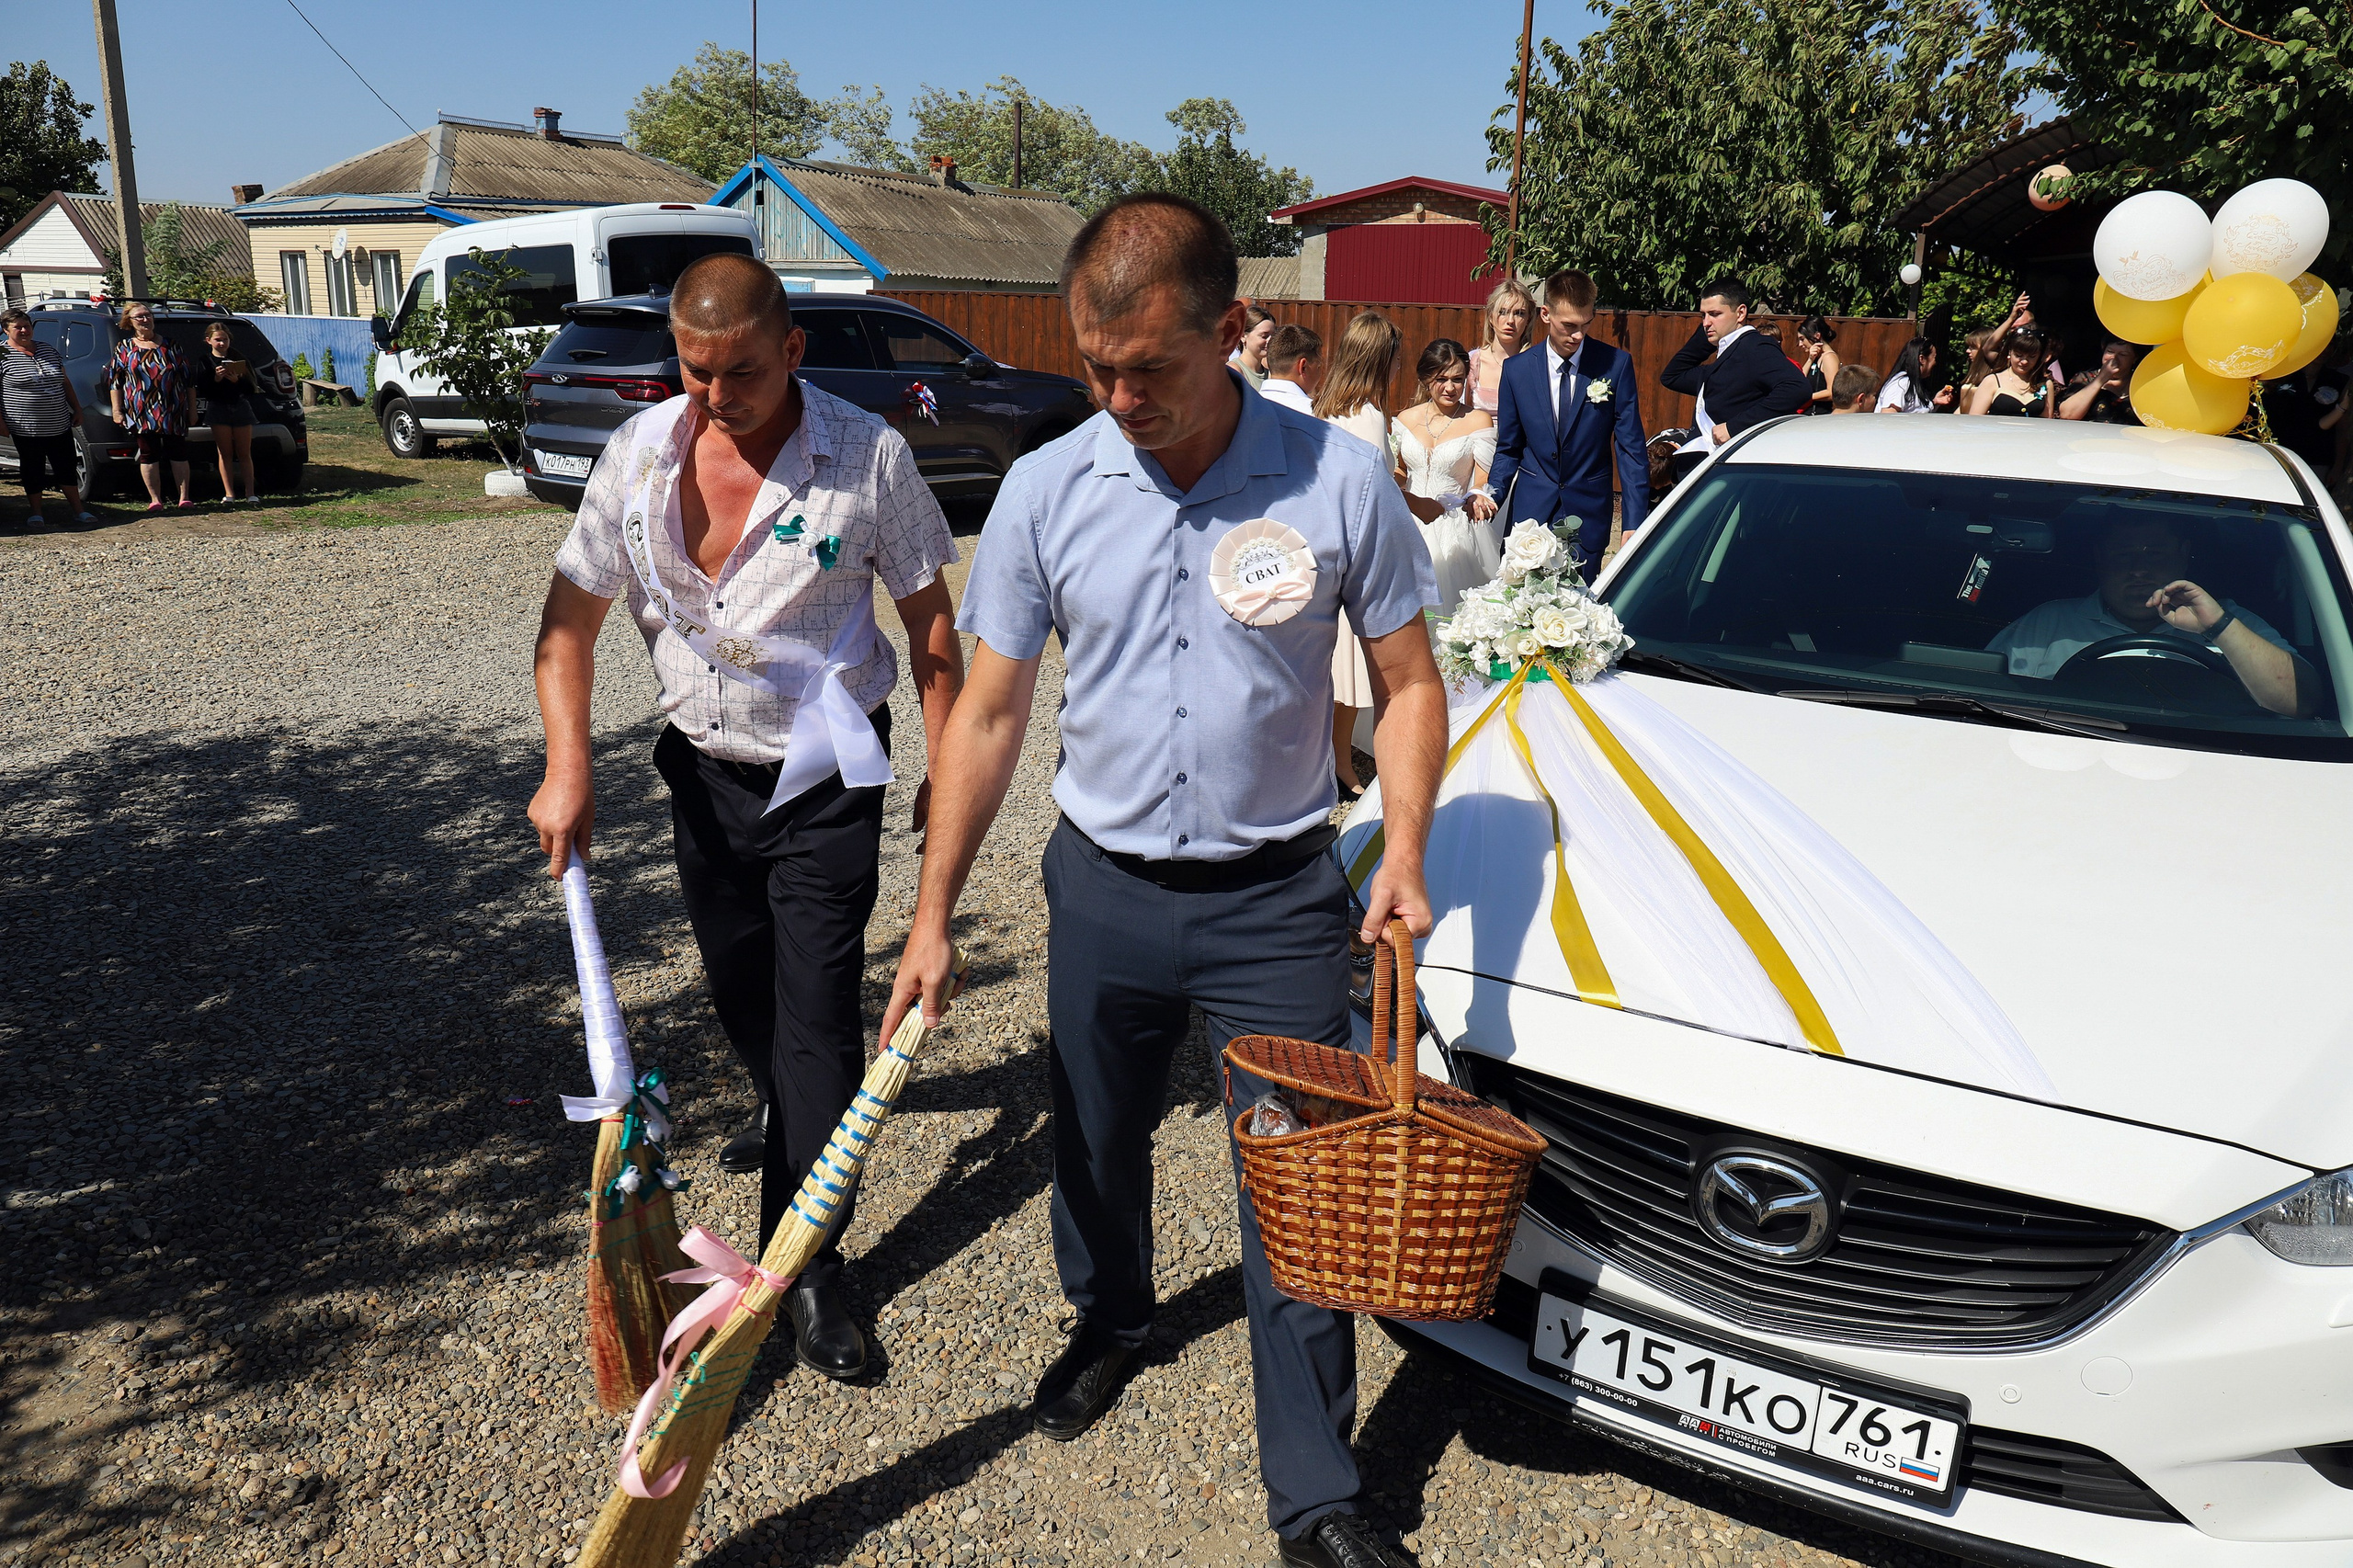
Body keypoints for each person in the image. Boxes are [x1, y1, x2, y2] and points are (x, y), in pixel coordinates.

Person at [881, 193, 1442, 1568]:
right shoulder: (1047, 487)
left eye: (1149, 369)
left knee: (1294, 1180)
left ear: (1231, 328)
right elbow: (989, 715)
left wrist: (1406, 851)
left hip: (1277, 900)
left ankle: (1315, 1491)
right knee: (1093, 1132)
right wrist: (933, 914)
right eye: (1096, 368)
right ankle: (1113, 1315)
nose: (1119, 399)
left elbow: (1413, 684)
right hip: (1105, 890)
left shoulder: (1336, 481)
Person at [527, 251, 964, 1381]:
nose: (717, 395)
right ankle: (791, 1116)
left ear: (794, 350)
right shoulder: (638, 452)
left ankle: (805, 1265)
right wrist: (567, 766)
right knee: (742, 994)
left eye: (744, 373)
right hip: (703, 774)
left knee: (815, 1020)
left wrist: (946, 764)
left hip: (826, 779)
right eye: (695, 369)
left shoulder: (867, 456)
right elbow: (567, 625)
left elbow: (930, 625)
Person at [1988, 515, 2308, 717]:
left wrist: (2217, 627)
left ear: (2183, 555)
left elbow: (2301, 702)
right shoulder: (2048, 623)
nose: (2139, 570)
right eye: (2123, 555)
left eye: (2154, 555)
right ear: (2100, 559)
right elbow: (1988, 695)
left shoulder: (2230, 621)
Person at [1482, 267, 1651, 566]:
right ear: (1546, 314)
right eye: (1569, 325)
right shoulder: (1517, 370)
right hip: (1530, 518)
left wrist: (1634, 521)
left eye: (1586, 324)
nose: (1578, 335)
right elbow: (1508, 448)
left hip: (1588, 516)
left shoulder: (1615, 365)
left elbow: (1630, 450)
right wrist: (1492, 495)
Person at [1313, 311, 1405, 800]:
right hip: (1354, 551)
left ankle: (1333, 758)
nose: (1399, 368)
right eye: (1395, 359)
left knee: (1335, 665)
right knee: (1347, 668)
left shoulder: (1328, 406)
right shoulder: (1367, 417)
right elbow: (1370, 494)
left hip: (1327, 543)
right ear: (1379, 360)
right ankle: (1339, 762)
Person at [1658, 276, 1810, 479]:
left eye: (1715, 314)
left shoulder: (1756, 346)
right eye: (1703, 315)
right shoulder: (1728, 352)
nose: (1706, 323)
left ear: (1740, 313)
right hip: (1713, 471)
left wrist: (1734, 427)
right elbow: (1672, 376)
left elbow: (1797, 388)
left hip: (1733, 471)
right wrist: (1711, 334)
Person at [1393, 337, 1499, 611]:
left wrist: (1477, 496)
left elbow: (1483, 479)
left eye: (1458, 379)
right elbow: (1400, 471)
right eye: (1441, 379)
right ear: (1425, 379)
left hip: (1454, 526)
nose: (1450, 388)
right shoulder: (1405, 419)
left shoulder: (1478, 420)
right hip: (1409, 523)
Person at [1, 308, 97, 527]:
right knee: (32, 468)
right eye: (18, 327)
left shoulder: (47, 349)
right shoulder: (2, 355)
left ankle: (79, 510)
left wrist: (77, 409)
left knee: (66, 466)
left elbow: (65, 381)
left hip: (58, 423)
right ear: (6, 330)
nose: (24, 331)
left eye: (27, 326)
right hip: (26, 427)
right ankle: (36, 513)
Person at [107, 302, 196, 510]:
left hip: (173, 410)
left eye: (148, 315)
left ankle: (184, 498)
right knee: (148, 453)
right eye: (139, 316)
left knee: (178, 452)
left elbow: (189, 380)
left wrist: (192, 410)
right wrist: (117, 410)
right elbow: (115, 382)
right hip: (141, 412)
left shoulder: (171, 345)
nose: (145, 319)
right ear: (130, 321)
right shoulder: (124, 348)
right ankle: (155, 500)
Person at [195, 320, 259, 502]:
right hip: (218, 408)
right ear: (208, 341)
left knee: (244, 452)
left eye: (225, 339)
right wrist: (216, 378)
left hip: (240, 406)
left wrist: (236, 380)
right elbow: (203, 389)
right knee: (225, 453)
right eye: (218, 339)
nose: (222, 343)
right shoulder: (205, 361)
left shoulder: (239, 359)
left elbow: (251, 389)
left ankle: (250, 493)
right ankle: (229, 493)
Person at [1466, 277, 1538, 415]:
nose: (1510, 321)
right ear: (1490, 317)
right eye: (1502, 312)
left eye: (1519, 313)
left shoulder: (1537, 365)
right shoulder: (1471, 362)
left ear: (1528, 319)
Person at [1965, 324, 2059, 417]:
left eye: (2032, 356)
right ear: (2010, 352)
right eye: (2019, 355)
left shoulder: (2046, 384)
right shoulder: (1992, 381)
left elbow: (2046, 420)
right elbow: (1975, 419)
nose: (2024, 361)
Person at [2059, 341, 2143, 425]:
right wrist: (2102, 378)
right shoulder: (2085, 379)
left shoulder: (2141, 385)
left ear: (2134, 358)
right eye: (2110, 352)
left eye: (2123, 354)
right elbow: (2067, 415)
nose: (2114, 358)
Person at [1876, 336, 1956, 413]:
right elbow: (1888, 417)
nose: (1935, 362)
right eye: (1934, 358)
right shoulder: (1901, 384)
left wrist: (1935, 401)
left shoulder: (1912, 383)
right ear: (1922, 359)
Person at [1258, 323, 1323, 415]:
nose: (1320, 372)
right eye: (1319, 366)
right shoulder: (1315, 414)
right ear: (1303, 367)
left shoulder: (1244, 407)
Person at [1797, 315, 1842, 414]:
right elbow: (1800, 381)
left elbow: (1831, 392)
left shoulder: (1829, 358)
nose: (1800, 344)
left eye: (1802, 339)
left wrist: (1807, 397)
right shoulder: (1815, 357)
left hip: (1818, 416)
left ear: (1817, 336)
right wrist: (1810, 360)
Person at [1227, 304, 1277, 390]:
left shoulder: (1271, 374)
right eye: (1264, 336)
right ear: (1243, 336)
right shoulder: (1234, 372)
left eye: (1273, 336)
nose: (1270, 341)